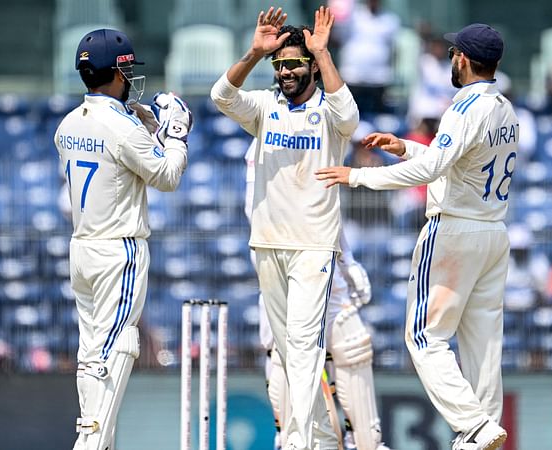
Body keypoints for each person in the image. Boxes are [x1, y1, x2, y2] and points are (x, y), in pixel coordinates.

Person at [316, 23, 517, 450]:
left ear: (462, 59)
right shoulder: (504, 109)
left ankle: (473, 426)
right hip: (493, 233)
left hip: (454, 232)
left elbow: (433, 172)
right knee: (484, 342)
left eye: (452, 55)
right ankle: (483, 431)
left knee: (424, 337)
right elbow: (456, 165)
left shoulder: (464, 109)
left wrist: (358, 175)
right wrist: (406, 147)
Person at [210, 6, 359, 449]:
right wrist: (256, 53)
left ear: (310, 65)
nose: (286, 71)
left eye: (294, 63)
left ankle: (297, 442)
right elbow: (221, 95)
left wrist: (322, 53)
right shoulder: (264, 106)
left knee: (303, 346)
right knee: (287, 351)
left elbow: (350, 116)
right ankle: (316, 439)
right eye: (280, 65)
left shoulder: (329, 112)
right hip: (267, 244)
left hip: (313, 246)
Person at [54, 28, 192, 450]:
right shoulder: (122, 127)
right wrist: (175, 136)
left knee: (91, 351)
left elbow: (114, 163)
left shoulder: (67, 124)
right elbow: (166, 177)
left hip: (82, 250)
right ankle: (91, 443)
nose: (131, 79)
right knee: (118, 346)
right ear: (117, 72)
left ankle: (98, 439)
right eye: (127, 71)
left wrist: (143, 128)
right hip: (119, 250)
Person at [243, 139, 390, 450]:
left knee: (352, 342)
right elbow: (253, 211)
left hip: (321, 256)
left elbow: (325, 208)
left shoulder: (320, 132)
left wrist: (346, 260)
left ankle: (365, 443)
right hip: (281, 262)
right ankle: (291, 439)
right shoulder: (265, 139)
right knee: (284, 354)